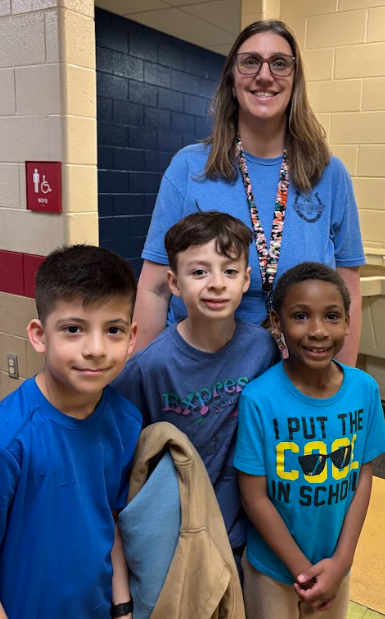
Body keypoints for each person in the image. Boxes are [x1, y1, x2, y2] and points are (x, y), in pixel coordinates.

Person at [133, 19, 365, 366]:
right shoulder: (189, 168)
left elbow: (348, 292)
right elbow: (154, 287)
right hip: (197, 372)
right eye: (251, 61)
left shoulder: (329, 174)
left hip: (295, 369)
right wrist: (137, 381)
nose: (265, 75)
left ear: (295, 80)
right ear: (231, 79)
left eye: (280, 63)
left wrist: (339, 382)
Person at [112, 210, 280, 566]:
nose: (217, 283)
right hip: (175, 534)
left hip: (243, 528)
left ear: (247, 279)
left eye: (230, 271)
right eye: (199, 271)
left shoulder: (263, 350)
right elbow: (123, 455)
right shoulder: (150, 367)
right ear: (174, 283)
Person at [233, 262, 385, 619]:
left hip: (335, 565)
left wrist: (342, 561)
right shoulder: (259, 399)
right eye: (301, 316)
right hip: (273, 570)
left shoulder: (364, 390)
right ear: (277, 323)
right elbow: (253, 496)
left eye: (332, 316)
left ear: (348, 321)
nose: (318, 331)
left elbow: (362, 477)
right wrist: (302, 570)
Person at [0, 245, 142, 619]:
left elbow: (108, 515)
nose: (95, 349)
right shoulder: (11, 437)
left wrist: (122, 604)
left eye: (113, 330)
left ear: (132, 338)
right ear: (39, 335)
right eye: (73, 329)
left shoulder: (126, 421)